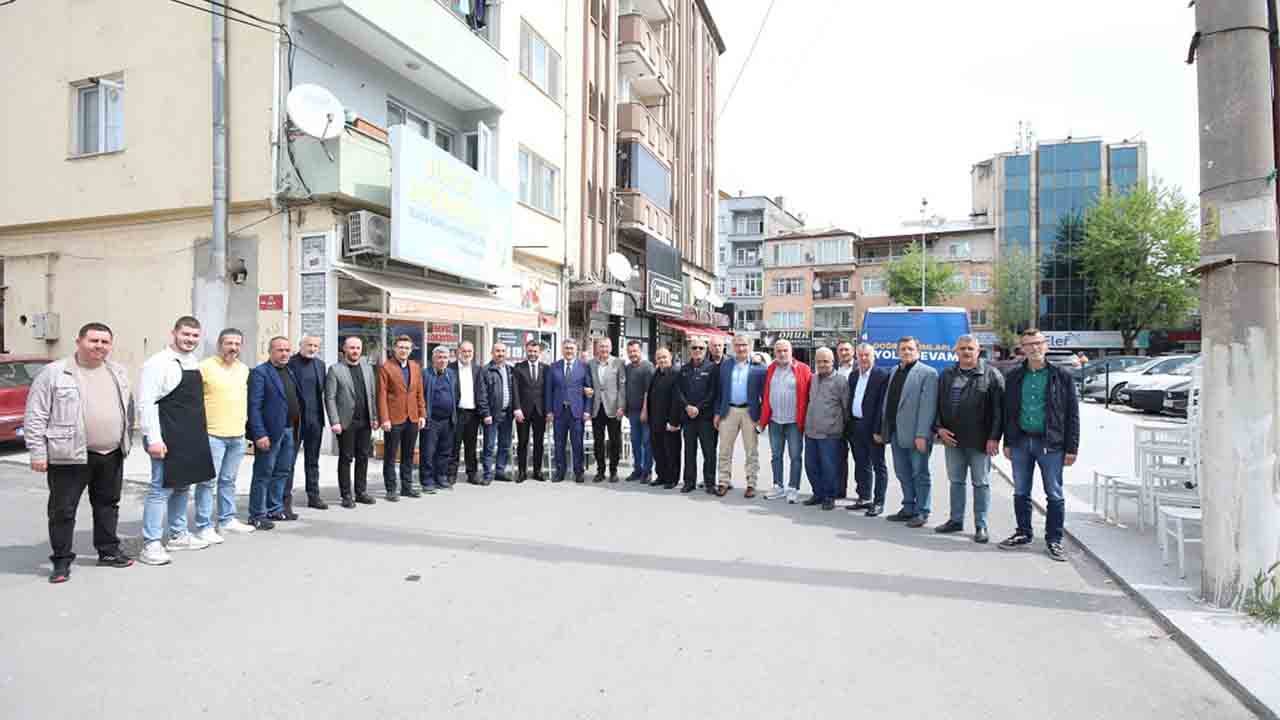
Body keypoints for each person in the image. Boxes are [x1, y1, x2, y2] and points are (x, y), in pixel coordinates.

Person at [24, 322, 134, 583]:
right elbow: (36, 414)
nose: (99, 346)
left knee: (108, 505)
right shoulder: (54, 373)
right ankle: (61, 561)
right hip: (69, 454)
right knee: (62, 510)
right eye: (93, 340)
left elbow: (127, 408)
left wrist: (125, 440)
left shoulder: (117, 371)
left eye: (105, 342)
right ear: (79, 341)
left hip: (111, 452)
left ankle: (108, 551)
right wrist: (37, 452)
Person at [138, 316, 217, 566]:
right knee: (160, 489)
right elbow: (146, 403)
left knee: (183, 486)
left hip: (189, 434)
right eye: (186, 334)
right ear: (174, 333)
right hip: (165, 435)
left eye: (194, 336)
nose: (190, 340)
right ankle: (151, 543)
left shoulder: (192, 362)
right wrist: (153, 439)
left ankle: (178, 535)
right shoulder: (157, 363)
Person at [999, 328, 1080, 562]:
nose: (1034, 348)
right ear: (1022, 349)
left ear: (1046, 346)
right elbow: (1008, 412)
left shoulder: (1061, 376)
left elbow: (1072, 414)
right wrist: (1008, 441)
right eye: (1028, 344)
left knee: (1054, 492)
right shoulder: (1014, 376)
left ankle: (1054, 539)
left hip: (1051, 443)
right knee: (1021, 490)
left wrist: (1072, 448)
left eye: (1038, 343)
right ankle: (1023, 533)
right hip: (1021, 441)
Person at [933, 335, 1005, 543]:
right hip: (952, 440)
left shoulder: (991, 375)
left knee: (980, 483)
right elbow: (936, 405)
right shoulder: (947, 375)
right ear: (956, 351)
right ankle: (956, 520)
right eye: (962, 348)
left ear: (978, 350)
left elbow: (999, 411)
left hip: (980, 441)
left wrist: (994, 438)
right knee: (956, 481)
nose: (966, 352)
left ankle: (981, 525)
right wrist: (939, 429)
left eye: (970, 348)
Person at [876, 336, 939, 528]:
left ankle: (922, 511)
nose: (906, 352)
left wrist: (922, 434)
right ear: (897, 351)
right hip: (896, 432)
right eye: (903, 349)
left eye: (910, 348)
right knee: (902, 472)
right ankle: (908, 507)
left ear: (918, 351)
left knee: (920, 473)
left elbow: (928, 407)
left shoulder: (928, 373)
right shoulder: (895, 371)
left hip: (916, 435)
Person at [200, 328, 255, 534]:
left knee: (228, 481)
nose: (233, 348)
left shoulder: (244, 370)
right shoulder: (204, 367)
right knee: (207, 482)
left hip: (237, 436)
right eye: (229, 343)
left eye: (237, 344)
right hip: (212, 435)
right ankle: (204, 525)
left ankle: (227, 520)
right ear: (219, 344)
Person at [247, 336, 303, 529]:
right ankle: (257, 514)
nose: (284, 353)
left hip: (289, 430)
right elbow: (254, 407)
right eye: (280, 350)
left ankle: (275, 509)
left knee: (282, 471)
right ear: (270, 351)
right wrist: (259, 434)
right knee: (263, 473)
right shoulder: (260, 373)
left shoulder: (289, 371)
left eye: (287, 350)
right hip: (269, 432)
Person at [325, 336, 379, 508]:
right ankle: (346, 495)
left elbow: (372, 395)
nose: (355, 351)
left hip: (365, 421)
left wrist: (374, 417)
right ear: (344, 349)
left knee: (363, 457)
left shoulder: (367, 368)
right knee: (346, 458)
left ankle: (361, 492)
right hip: (345, 422)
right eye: (352, 348)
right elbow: (330, 397)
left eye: (357, 348)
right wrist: (334, 421)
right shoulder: (335, 370)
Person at [758, 339, 812, 503]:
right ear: (774, 352)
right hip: (775, 421)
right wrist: (762, 421)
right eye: (779, 351)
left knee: (795, 456)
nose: (782, 354)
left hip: (794, 422)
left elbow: (809, 395)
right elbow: (766, 395)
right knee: (776, 455)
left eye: (785, 350)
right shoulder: (771, 369)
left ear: (791, 351)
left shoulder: (803, 369)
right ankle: (778, 486)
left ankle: (793, 487)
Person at [713, 335, 765, 497]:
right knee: (724, 449)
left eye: (744, 345)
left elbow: (765, 394)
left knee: (751, 450)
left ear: (750, 346)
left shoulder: (759, 367)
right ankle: (723, 481)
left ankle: (751, 483)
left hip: (750, 412)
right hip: (728, 411)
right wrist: (717, 413)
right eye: (737, 345)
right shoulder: (726, 365)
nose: (741, 348)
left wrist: (762, 417)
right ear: (733, 347)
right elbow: (719, 391)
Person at [378, 335, 426, 500]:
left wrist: (422, 414)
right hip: (393, 418)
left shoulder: (415, 367)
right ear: (395, 349)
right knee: (390, 456)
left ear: (411, 350)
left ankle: (406, 487)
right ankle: (391, 489)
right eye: (401, 347)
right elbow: (381, 395)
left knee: (408, 455)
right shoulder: (386, 367)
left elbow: (419, 393)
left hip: (412, 417)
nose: (403, 350)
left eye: (406, 348)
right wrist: (384, 418)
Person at [846, 343, 890, 516]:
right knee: (861, 463)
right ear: (856, 357)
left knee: (878, 466)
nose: (863, 358)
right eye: (860, 355)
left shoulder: (882, 375)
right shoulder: (853, 376)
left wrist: (879, 430)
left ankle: (878, 502)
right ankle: (864, 497)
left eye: (867, 355)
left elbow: (882, 406)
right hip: (856, 426)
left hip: (873, 428)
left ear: (874, 356)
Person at [803, 347, 849, 511]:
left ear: (833, 362)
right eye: (819, 361)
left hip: (830, 433)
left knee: (829, 467)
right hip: (811, 432)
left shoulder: (841, 381)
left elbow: (845, 407)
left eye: (825, 361)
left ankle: (830, 496)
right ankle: (818, 493)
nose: (822, 364)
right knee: (811, 465)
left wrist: (841, 429)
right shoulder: (813, 378)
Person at [286, 335, 328, 512]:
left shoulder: (320, 365)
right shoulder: (290, 363)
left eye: (316, 346)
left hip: (315, 420)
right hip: (295, 421)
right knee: (289, 462)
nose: (312, 349)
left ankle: (314, 496)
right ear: (301, 345)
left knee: (313, 461)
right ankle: (284, 499)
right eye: (309, 345)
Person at [543, 338, 593, 482]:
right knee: (559, 443)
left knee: (577, 443)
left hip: (577, 412)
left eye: (571, 348)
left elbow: (589, 390)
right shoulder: (554, 367)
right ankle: (560, 471)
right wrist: (549, 411)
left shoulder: (584, 367)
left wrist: (587, 410)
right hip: (559, 412)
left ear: (576, 350)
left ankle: (579, 472)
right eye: (566, 348)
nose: (569, 351)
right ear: (562, 350)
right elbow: (548, 391)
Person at [678, 338, 720, 493]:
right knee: (689, 451)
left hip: (705, 418)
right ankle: (689, 482)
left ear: (706, 350)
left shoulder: (712, 368)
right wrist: (687, 406)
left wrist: (698, 408)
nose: (697, 350)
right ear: (690, 350)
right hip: (688, 417)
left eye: (701, 348)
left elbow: (713, 392)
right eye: (694, 347)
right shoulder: (684, 369)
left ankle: (710, 483)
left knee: (709, 452)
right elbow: (678, 391)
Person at [645, 347, 685, 489]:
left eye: (664, 357)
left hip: (670, 421)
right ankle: (661, 476)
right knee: (658, 450)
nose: (662, 360)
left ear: (670, 357)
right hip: (655, 420)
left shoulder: (676, 374)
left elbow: (677, 400)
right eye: (659, 358)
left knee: (671, 451)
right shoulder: (656, 373)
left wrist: (674, 422)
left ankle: (672, 479)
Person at [421, 346, 460, 492]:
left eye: (445, 358)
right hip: (431, 420)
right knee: (428, 451)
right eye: (439, 357)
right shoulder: (425, 374)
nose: (442, 360)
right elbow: (420, 396)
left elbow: (456, 394)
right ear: (433, 359)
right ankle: (427, 480)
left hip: (448, 420)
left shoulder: (451, 374)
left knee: (445, 451)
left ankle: (441, 477)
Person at [448, 341, 487, 484]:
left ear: (473, 352)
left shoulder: (478, 370)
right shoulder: (450, 368)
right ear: (458, 352)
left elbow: (481, 392)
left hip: (473, 414)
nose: (467, 354)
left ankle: (472, 474)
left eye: (469, 351)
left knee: (471, 446)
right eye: (464, 351)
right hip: (457, 413)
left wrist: (484, 412)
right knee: (454, 445)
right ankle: (451, 474)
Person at [588, 337, 626, 483]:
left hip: (613, 407)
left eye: (606, 346)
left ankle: (613, 470)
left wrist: (621, 406)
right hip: (597, 407)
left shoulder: (618, 363)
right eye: (601, 346)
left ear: (610, 348)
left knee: (614, 440)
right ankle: (600, 471)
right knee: (598, 441)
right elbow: (588, 384)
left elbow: (622, 387)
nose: (604, 349)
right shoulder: (591, 364)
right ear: (597, 348)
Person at [513, 339, 548, 482]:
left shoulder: (546, 368)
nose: (532, 353)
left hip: (540, 411)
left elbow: (548, 391)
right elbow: (515, 389)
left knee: (539, 443)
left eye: (535, 351)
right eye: (530, 351)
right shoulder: (518, 368)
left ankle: (537, 471)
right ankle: (522, 472)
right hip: (523, 411)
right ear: (526, 351)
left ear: (539, 352)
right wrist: (517, 408)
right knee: (523, 442)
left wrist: (548, 410)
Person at [481, 342, 516, 485]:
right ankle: (487, 474)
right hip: (492, 414)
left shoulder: (510, 370)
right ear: (492, 353)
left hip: (507, 414)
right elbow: (482, 394)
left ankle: (500, 471)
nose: (500, 354)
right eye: (497, 351)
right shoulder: (486, 370)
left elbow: (514, 391)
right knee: (489, 446)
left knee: (505, 444)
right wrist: (485, 413)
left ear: (506, 353)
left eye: (503, 351)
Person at [622, 340, 654, 483]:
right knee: (635, 442)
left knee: (647, 442)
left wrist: (645, 411)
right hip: (632, 412)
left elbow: (649, 392)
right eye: (630, 352)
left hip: (645, 412)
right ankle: (638, 470)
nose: (632, 354)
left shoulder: (648, 367)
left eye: (635, 351)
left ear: (641, 351)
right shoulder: (628, 368)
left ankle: (647, 471)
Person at [833, 340, 857, 500]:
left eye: (846, 350)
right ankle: (840, 490)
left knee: (861, 459)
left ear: (853, 351)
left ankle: (863, 494)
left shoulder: (860, 367)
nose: (843, 353)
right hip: (838, 420)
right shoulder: (834, 370)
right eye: (840, 350)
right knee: (839, 458)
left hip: (856, 421)